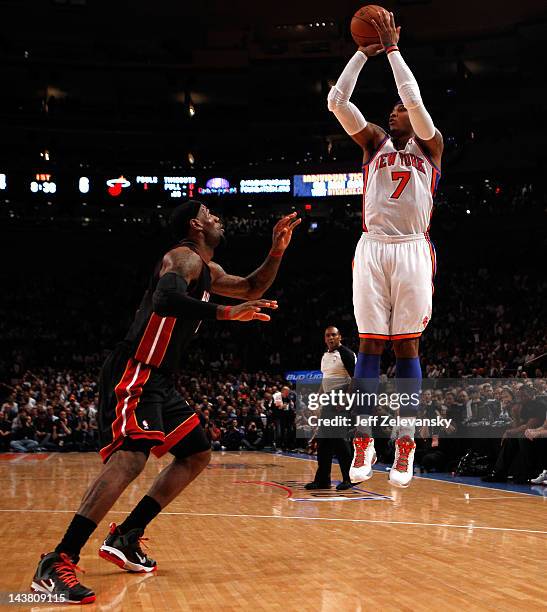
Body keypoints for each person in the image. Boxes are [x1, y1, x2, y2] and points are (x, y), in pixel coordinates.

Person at [31, 200, 300, 604]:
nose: (217, 219)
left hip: (160, 379)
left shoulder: (207, 271)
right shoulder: (183, 258)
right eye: (209, 214)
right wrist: (227, 315)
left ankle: (126, 534)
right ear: (195, 224)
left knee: (196, 453)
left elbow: (250, 288)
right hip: (137, 368)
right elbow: (165, 300)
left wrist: (276, 251)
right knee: (130, 458)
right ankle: (58, 559)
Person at [327, 10, 443, 487]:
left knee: (407, 345)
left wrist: (393, 50)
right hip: (372, 248)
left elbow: (413, 97)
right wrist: (362, 51)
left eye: (399, 109)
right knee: (370, 346)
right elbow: (337, 100)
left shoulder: (430, 146)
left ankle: (406, 440)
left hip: (414, 249)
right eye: (391, 108)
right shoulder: (373, 143)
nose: (394, 110)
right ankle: (363, 438)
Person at [305, 326, 356, 491]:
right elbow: (325, 379)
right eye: (328, 335)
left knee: (339, 440)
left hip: (340, 398)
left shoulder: (346, 354)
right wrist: (318, 397)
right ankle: (323, 480)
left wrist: (346, 399)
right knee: (324, 442)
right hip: (328, 400)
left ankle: (350, 478)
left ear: (340, 336)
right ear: (325, 338)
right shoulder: (325, 356)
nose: (331, 337)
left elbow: (355, 379)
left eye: (334, 334)